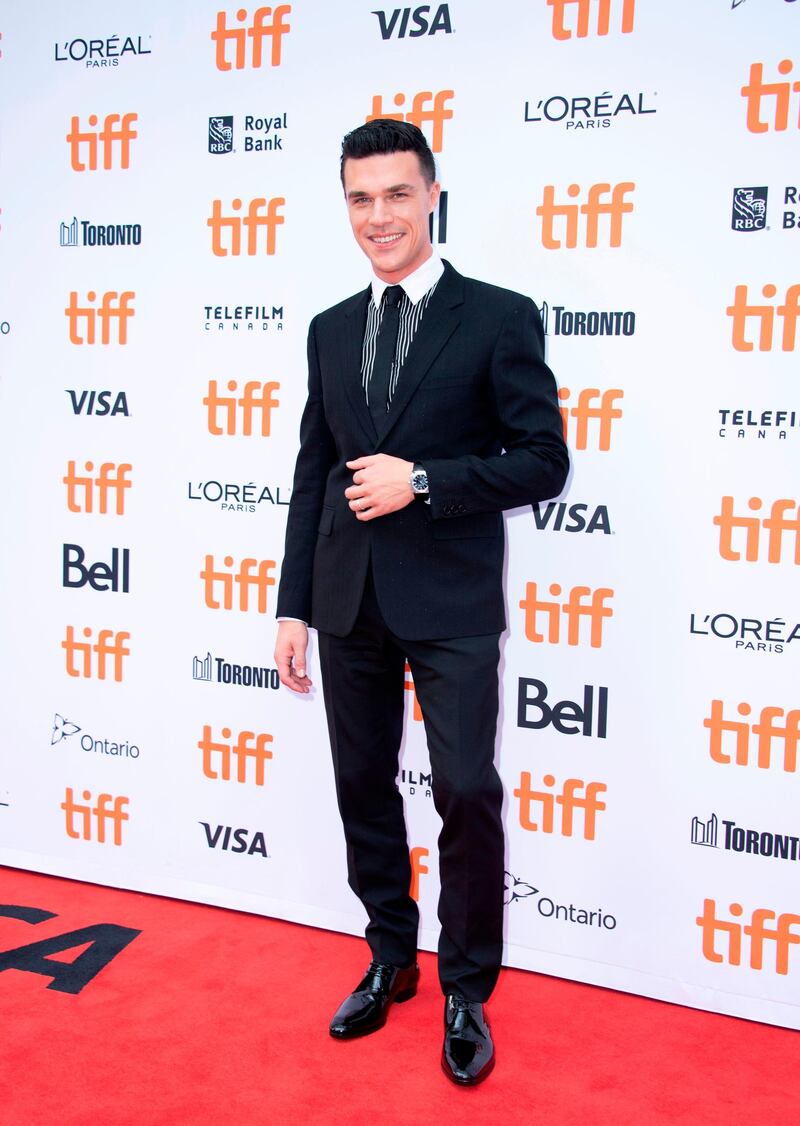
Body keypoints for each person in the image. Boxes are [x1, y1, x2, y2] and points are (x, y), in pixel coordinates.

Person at [274, 119, 568, 1086]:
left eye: (397, 194)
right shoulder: (328, 329)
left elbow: (543, 461)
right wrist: (291, 607)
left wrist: (426, 482)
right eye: (361, 198)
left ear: (432, 195)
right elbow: (314, 472)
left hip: (449, 601)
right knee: (363, 789)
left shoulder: (497, 315)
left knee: (465, 791)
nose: (379, 216)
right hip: (346, 597)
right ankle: (391, 958)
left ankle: (467, 990)